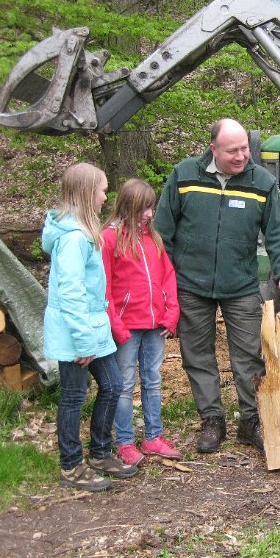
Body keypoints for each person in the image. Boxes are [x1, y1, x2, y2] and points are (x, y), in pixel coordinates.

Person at [155, 118, 280, 454]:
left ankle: (251, 422)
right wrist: (169, 276)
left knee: (249, 356)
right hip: (191, 285)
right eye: (232, 150)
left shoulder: (261, 182)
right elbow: (163, 231)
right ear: (213, 149)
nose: (241, 156)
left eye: (245, 148)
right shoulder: (184, 176)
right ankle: (212, 420)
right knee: (197, 355)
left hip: (241, 284)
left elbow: (279, 233)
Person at [42, 162, 138, 492]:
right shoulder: (72, 240)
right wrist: (83, 342)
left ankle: (99, 453)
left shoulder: (85, 232)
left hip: (93, 329)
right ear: (86, 194)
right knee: (73, 397)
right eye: (101, 189)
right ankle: (70, 466)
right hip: (76, 334)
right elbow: (71, 293)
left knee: (111, 386)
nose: (105, 195)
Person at [102, 178, 182, 466]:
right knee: (124, 385)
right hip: (126, 326)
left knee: (153, 381)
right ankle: (123, 441)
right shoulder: (110, 239)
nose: (149, 214)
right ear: (127, 207)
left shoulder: (154, 239)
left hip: (155, 325)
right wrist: (117, 326)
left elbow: (168, 277)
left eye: (151, 208)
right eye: (143, 209)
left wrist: (171, 313)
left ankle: (153, 436)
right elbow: (105, 288)